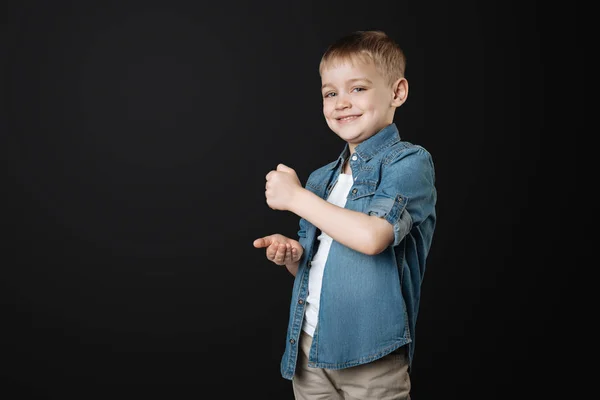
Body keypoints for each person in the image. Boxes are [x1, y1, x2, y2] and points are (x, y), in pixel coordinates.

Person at [253, 30, 436, 400]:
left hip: (370, 355)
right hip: (309, 346)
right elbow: (324, 262)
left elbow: (372, 237)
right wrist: (295, 257)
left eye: (358, 89)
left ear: (397, 93)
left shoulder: (409, 162)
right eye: (330, 93)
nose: (342, 103)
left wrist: (296, 198)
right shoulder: (322, 178)